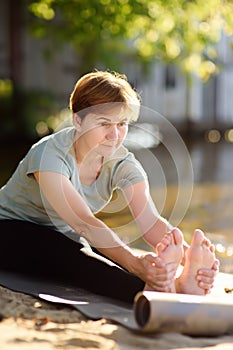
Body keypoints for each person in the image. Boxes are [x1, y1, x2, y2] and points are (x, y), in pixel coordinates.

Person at [0, 70, 219, 303]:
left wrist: (190, 258)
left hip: (63, 235)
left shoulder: (123, 163)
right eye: (104, 124)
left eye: (122, 124)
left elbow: (150, 221)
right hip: (10, 229)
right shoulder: (49, 155)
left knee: (109, 251)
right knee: (77, 256)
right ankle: (158, 291)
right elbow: (83, 222)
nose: (114, 135)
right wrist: (136, 265)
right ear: (78, 120)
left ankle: (181, 282)